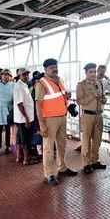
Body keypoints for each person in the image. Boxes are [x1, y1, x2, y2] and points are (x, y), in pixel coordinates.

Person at [35, 58, 77, 186]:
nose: (54, 69)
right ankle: (49, 174)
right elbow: (38, 104)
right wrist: (42, 124)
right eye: (51, 67)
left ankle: (62, 167)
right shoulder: (41, 83)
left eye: (55, 66)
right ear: (46, 69)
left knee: (62, 144)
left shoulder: (60, 80)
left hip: (62, 117)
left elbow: (63, 97)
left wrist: (68, 105)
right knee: (48, 148)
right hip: (49, 120)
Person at [76, 63, 107, 174]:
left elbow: (103, 98)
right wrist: (92, 95)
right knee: (86, 141)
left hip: (99, 115)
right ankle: (86, 164)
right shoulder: (81, 85)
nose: (93, 74)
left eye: (94, 71)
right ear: (86, 73)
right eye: (91, 72)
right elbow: (79, 101)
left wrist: (103, 99)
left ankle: (94, 160)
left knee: (97, 140)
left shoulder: (99, 83)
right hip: (87, 116)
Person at [13, 68, 39, 165]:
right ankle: (26, 159)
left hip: (23, 118)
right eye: (24, 75)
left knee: (20, 139)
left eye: (27, 74)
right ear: (19, 76)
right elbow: (20, 104)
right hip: (23, 119)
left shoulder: (23, 85)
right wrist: (27, 119)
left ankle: (19, 157)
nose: (27, 76)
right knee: (25, 140)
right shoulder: (19, 86)